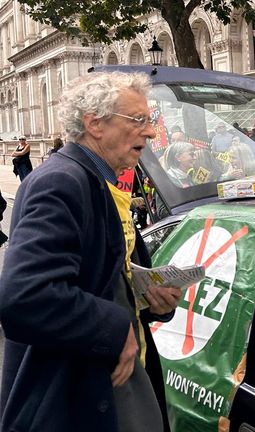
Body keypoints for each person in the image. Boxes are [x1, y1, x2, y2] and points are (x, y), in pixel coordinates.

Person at [0, 71, 181, 431]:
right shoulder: (61, 182)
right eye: (139, 120)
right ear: (95, 124)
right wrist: (115, 327)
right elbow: (24, 295)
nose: (150, 132)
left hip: (106, 380)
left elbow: (102, 275)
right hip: (78, 395)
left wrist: (147, 297)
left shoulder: (98, 180)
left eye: (151, 120)